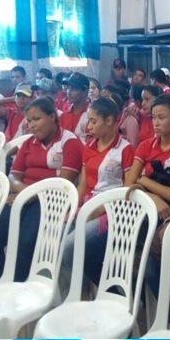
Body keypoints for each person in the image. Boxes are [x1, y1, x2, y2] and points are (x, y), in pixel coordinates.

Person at [0, 96, 82, 282]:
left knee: (25, 242)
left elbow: (63, 184)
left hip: (51, 202)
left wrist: (29, 194)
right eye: (29, 121)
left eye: (36, 119)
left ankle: (17, 288)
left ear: (52, 117)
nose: (31, 125)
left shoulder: (69, 142)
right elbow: (13, 177)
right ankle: (1, 284)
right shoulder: (28, 143)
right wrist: (26, 193)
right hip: (23, 197)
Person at [59, 95, 134, 296]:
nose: (88, 126)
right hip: (87, 205)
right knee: (55, 236)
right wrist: (73, 207)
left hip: (110, 211)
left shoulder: (124, 149)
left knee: (69, 247)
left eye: (93, 121)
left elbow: (127, 190)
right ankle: (76, 294)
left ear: (109, 121)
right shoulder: (90, 146)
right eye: (88, 121)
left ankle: (82, 295)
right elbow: (83, 183)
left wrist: (95, 210)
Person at [125, 93, 170, 222]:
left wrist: (142, 180)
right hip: (141, 207)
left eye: (161, 118)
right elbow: (128, 184)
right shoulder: (145, 145)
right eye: (153, 117)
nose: (156, 123)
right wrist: (152, 198)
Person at [59, 73, 91, 143]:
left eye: (74, 89)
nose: (69, 92)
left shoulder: (92, 116)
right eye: (68, 88)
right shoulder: (63, 116)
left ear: (85, 92)